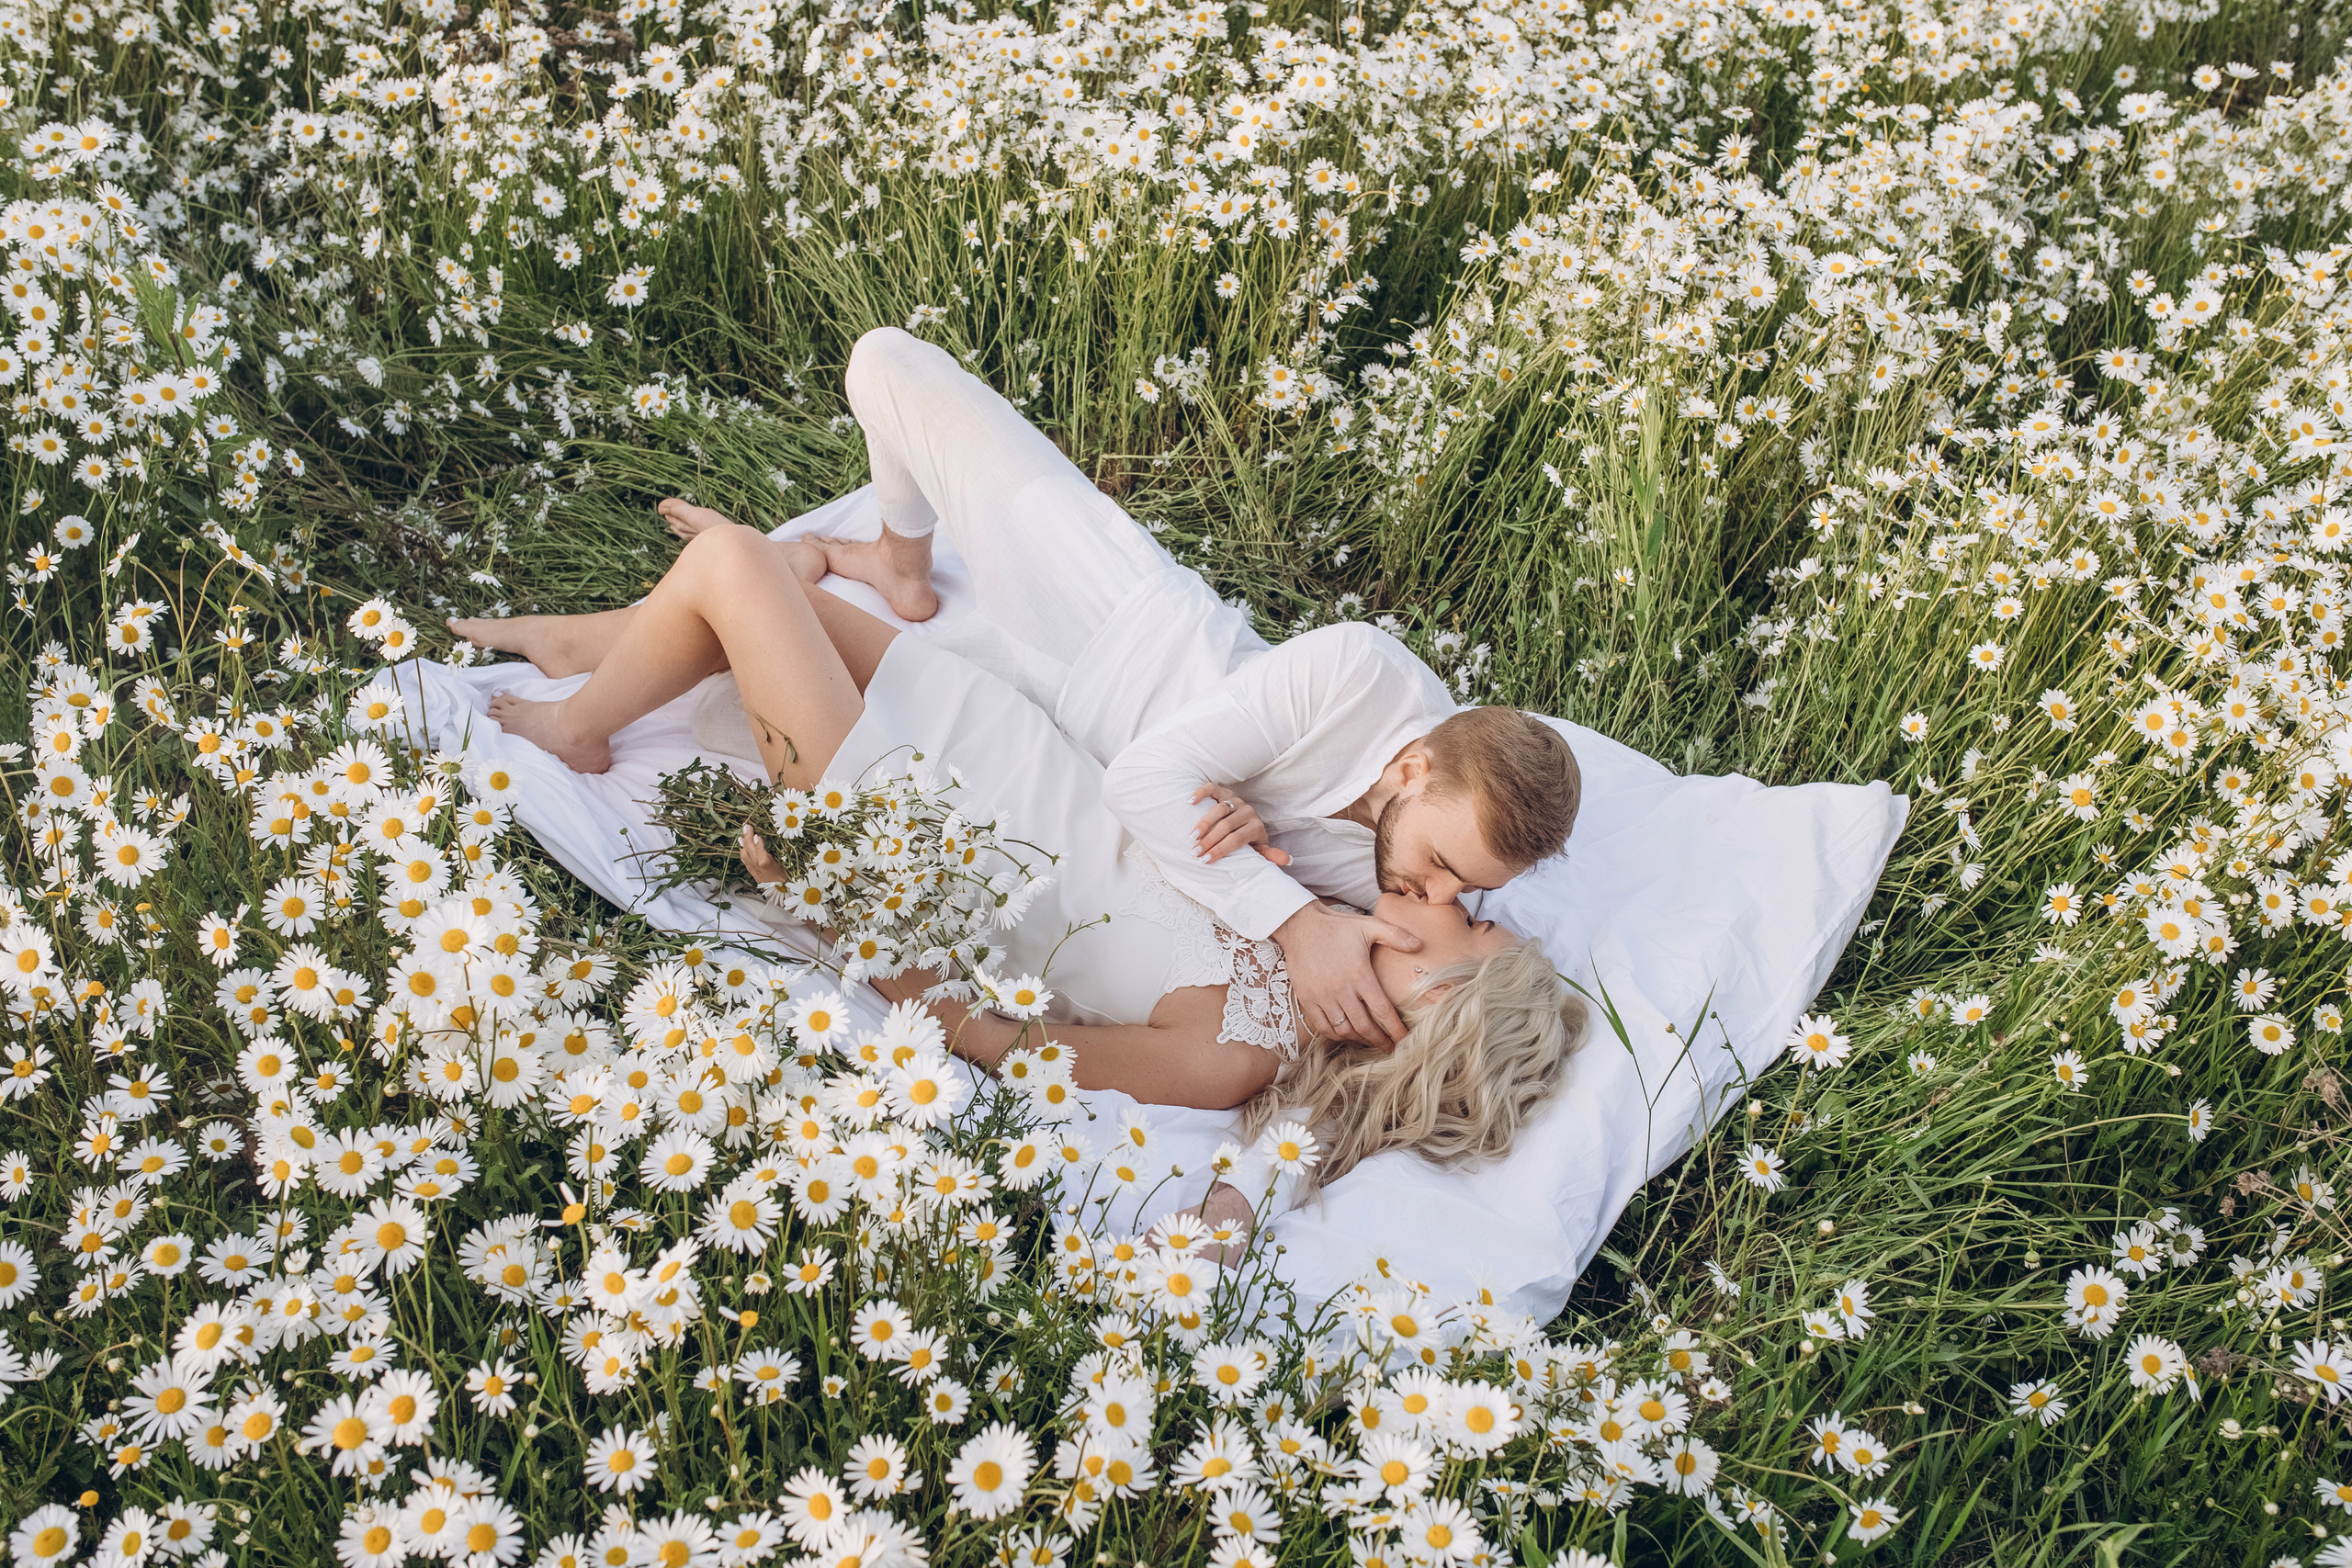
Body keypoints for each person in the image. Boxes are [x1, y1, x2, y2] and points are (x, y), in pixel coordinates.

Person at [447, 522, 1589, 1195]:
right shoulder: (1324, 911)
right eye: (1474, 905)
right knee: (740, 611)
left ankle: (576, 725)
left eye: (1474, 920)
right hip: (996, 738)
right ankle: (581, 647)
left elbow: (1006, 1044)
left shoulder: (1237, 1060)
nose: (1458, 902)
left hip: (921, 821)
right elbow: (1195, 809)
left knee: (734, 565)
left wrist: (854, 933)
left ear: (1431, 996)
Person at [647, 327, 1586, 1051]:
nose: (1438, 896)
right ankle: (899, 557)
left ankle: (741, 585)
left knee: (769, 638)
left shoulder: (1407, 898)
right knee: (885, 363)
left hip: (1047, 739)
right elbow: (1149, 786)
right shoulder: (1360, 671)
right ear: (1417, 766)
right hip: (1109, 620)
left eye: (1468, 891)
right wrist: (1293, 918)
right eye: (1441, 865)